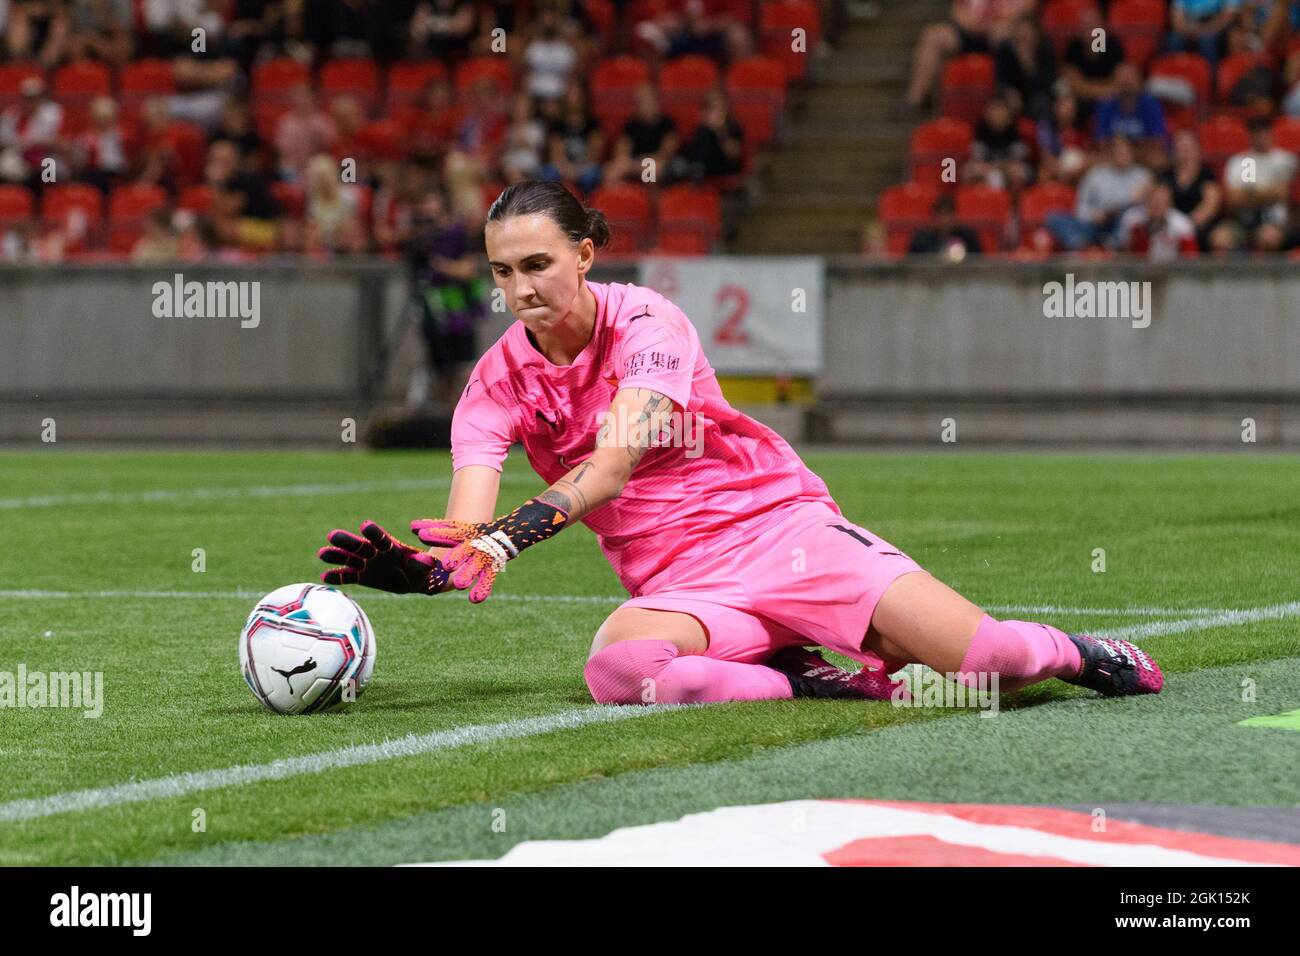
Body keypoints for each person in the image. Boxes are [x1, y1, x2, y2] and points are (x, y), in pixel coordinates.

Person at [318, 179, 1165, 705]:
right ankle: (810, 679)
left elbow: (612, 466)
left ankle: (1077, 652)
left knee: (989, 664)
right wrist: (437, 567)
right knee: (622, 672)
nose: (519, 288)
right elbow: (469, 519)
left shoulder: (651, 322)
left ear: (584, 254)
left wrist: (511, 536)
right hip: (681, 583)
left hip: (778, 531)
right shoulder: (495, 380)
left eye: (537, 264)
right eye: (502, 272)